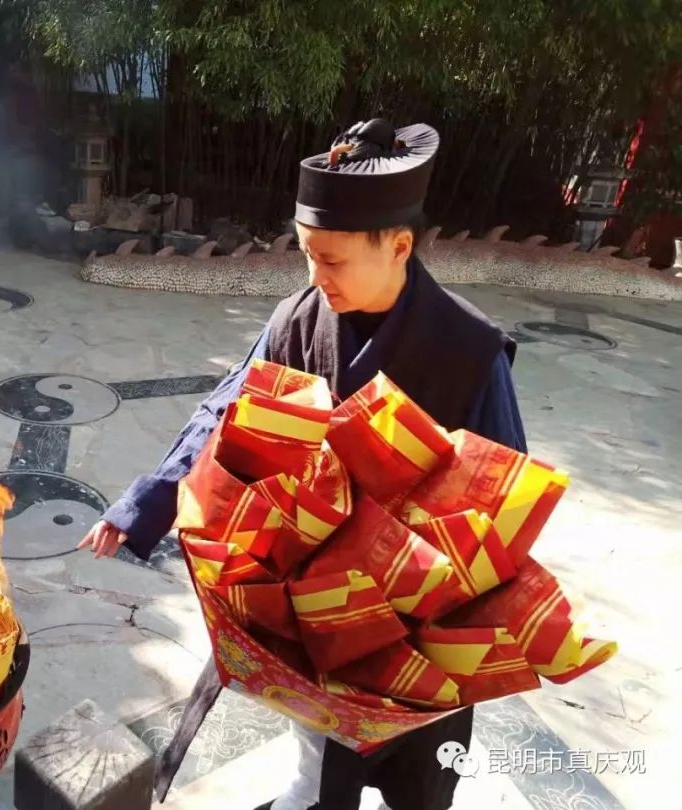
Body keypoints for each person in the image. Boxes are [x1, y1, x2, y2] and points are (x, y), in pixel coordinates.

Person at [78, 118, 527, 810]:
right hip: (317, 613)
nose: (317, 277)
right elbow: (225, 412)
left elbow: (503, 505)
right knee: (317, 767)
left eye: (334, 260)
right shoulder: (296, 320)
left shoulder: (469, 351)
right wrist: (147, 503)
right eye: (308, 255)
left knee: (422, 787)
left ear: (399, 245)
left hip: (418, 633)